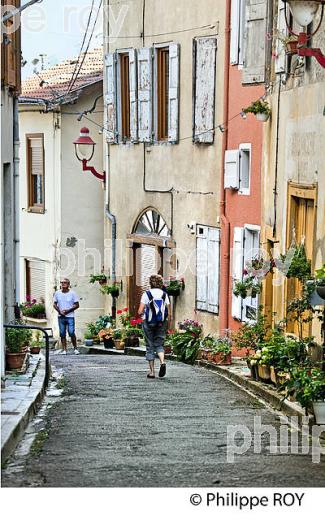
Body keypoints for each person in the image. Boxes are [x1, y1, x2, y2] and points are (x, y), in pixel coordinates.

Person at [138, 274, 170, 379]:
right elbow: (168, 312)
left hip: (148, 322)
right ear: (161, 283)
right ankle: (162, 362)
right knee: (159, 344)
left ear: (150, 283)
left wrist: (142, 315)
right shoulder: (164, 294)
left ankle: (152, 372)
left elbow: (140, 311)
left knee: (150, 345)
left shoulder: (146, 294)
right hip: (161, 322)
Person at [53, 278, 80, 355]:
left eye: (65, 283)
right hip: (60, 316)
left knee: (71, 332)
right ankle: (64, 350)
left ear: (68, 284)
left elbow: (77, 305)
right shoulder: (57, 293)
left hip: (70, 316)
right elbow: (54, 304)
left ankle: (75, 348)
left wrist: (68, 311)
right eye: (62, 283)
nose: (63, 284)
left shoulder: (72, 293)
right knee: (62, 333)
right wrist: (59, 311)